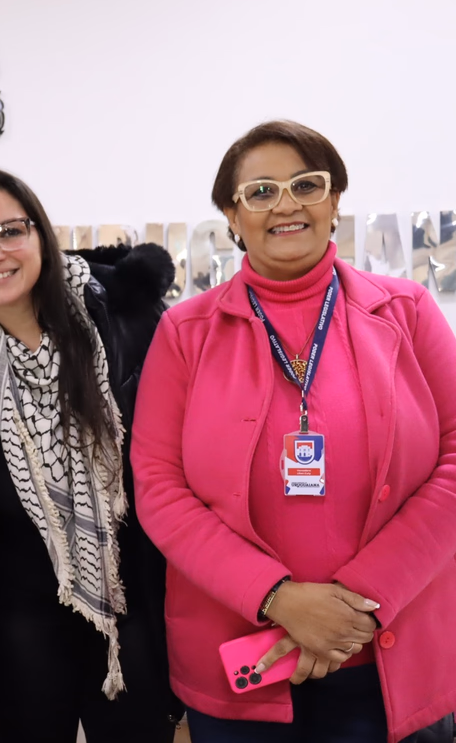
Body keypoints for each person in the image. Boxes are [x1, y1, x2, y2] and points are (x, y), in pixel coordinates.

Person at [131, 120, 456, 742]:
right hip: (243, 660)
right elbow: (158, 487)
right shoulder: (184, 332)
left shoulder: (407, 311)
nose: (285, 204)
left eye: (306, 184)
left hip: (391, 653)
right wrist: (279, 600)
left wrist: (351, 608)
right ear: (232, 215)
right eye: (260, 191)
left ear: (334, 202)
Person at [0, 166, 182, 743]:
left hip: (128, 601)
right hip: (14, 619)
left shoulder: (124, 315)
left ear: (41, 234)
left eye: (10, 230)